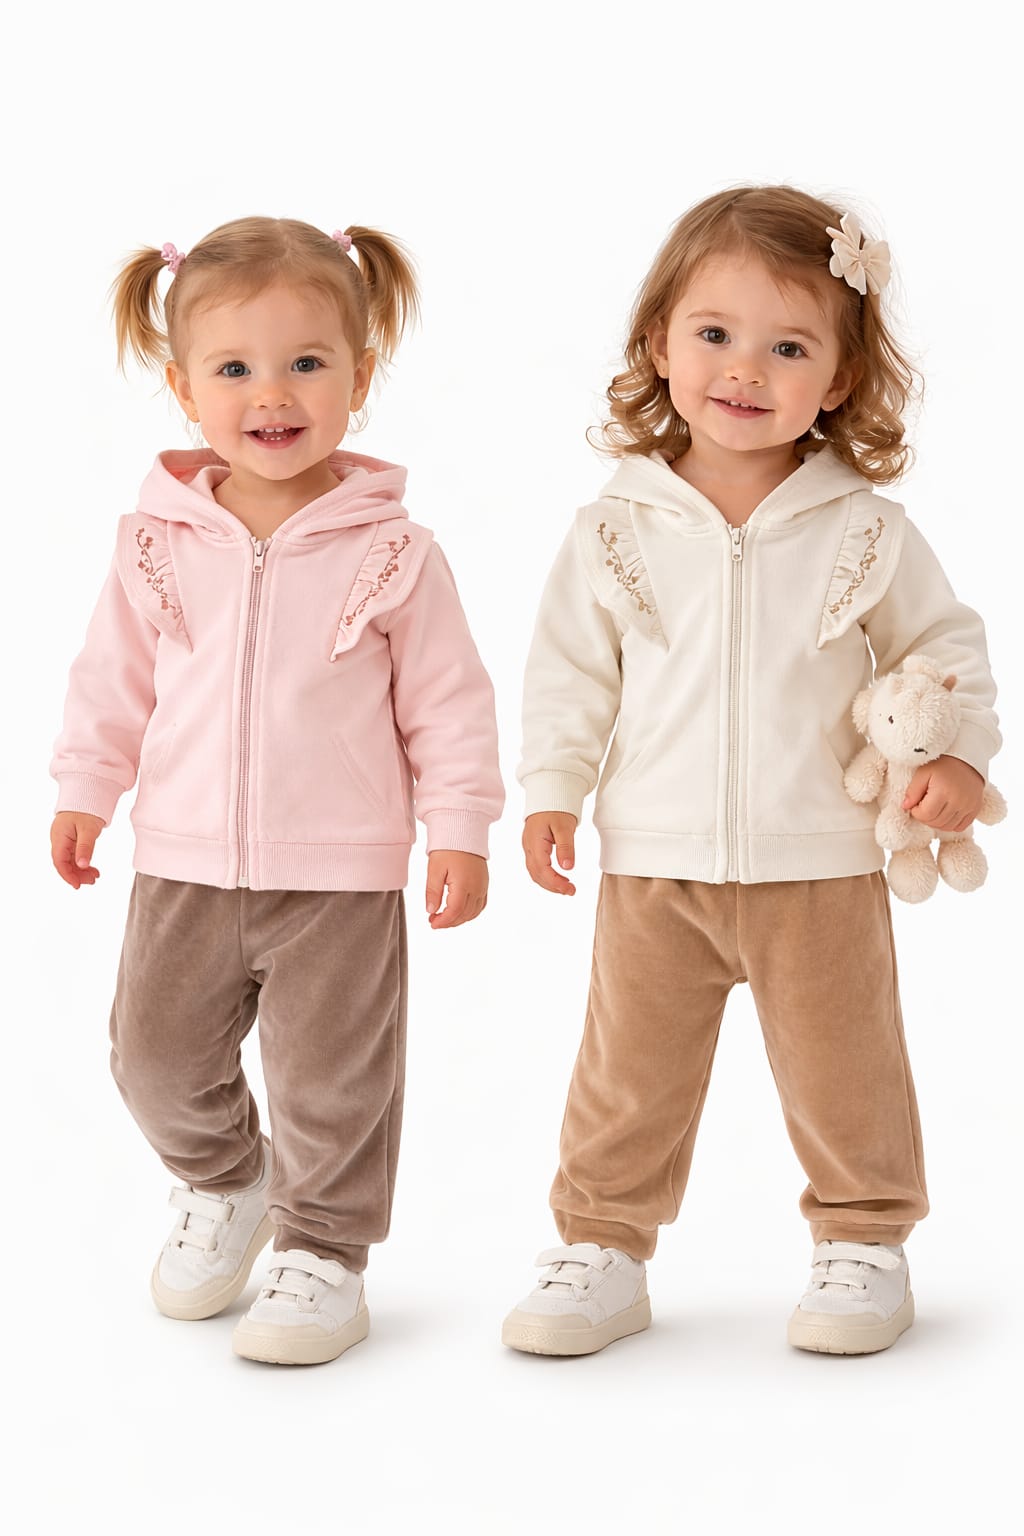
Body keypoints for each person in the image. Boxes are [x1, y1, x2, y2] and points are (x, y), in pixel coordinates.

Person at [501, 185, 1000, 1357]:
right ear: (657, 343)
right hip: (655, 862)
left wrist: (957, 753)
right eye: (714, 333)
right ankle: (602, 1247)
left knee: (845, 1069)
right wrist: (554, 791)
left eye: (788, 346)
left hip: (819, 862)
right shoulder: (613, 527)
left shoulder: (863, 529)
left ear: (836, 378)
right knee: (626, 1076)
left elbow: (943, 646)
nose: (744, 369)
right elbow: (569, 674)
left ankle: (864, 1241)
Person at [51, 217, 504, 1366]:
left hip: (339, 878)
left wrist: (457, 829)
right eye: (234, 368)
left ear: (360, 373)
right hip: (185, 862)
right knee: (150, 1057)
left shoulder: (393, 552)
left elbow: (448, 702)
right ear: (183, 387)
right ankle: (226, 1181)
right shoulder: (156, 543)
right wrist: (87, 789)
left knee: (333, 1085)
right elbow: (110, 681)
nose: (272, 394)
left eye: (307, 362)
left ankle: (324, 1254)